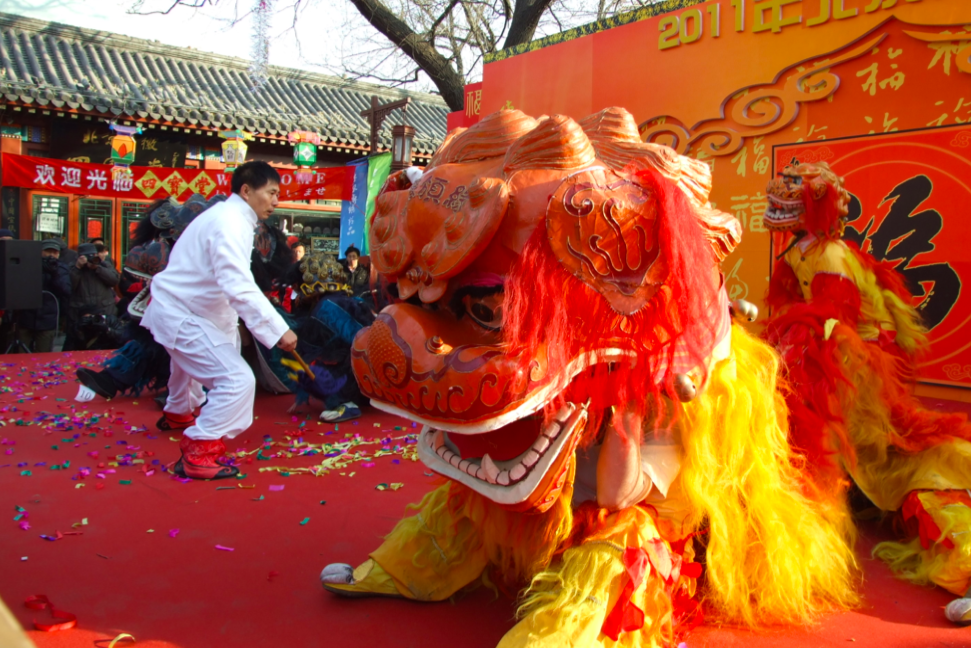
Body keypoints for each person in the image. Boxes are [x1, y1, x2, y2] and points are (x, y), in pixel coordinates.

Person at [140, 161, 298, 480]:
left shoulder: (228, 219)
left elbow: (223, 291)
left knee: (187, 367)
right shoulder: (229, 222)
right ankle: (199, 449)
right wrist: (279, 329)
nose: (276, 201)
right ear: (246, 190)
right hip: (181, 312)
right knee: (237, 380)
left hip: (186, 309)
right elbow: (237, 284)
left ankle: (177, 413)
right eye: (271, 193)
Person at [14, 240, 70, 353]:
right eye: (48, 251)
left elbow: (65, 290)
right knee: (21, 352)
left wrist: (54, 273)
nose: (51, 255)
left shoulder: (61, 268)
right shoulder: (29, 265)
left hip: (47, 318)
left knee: (43, 353)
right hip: (26, 315)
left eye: (55, 252)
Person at [67, 242, 121, 349]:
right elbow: (68, 287)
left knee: (106, 341)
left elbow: (114, 280)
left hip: (104, 310)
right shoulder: (72, 267)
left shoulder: (104, 265)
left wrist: (97, 268)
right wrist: (78, 267)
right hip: (82, 313)